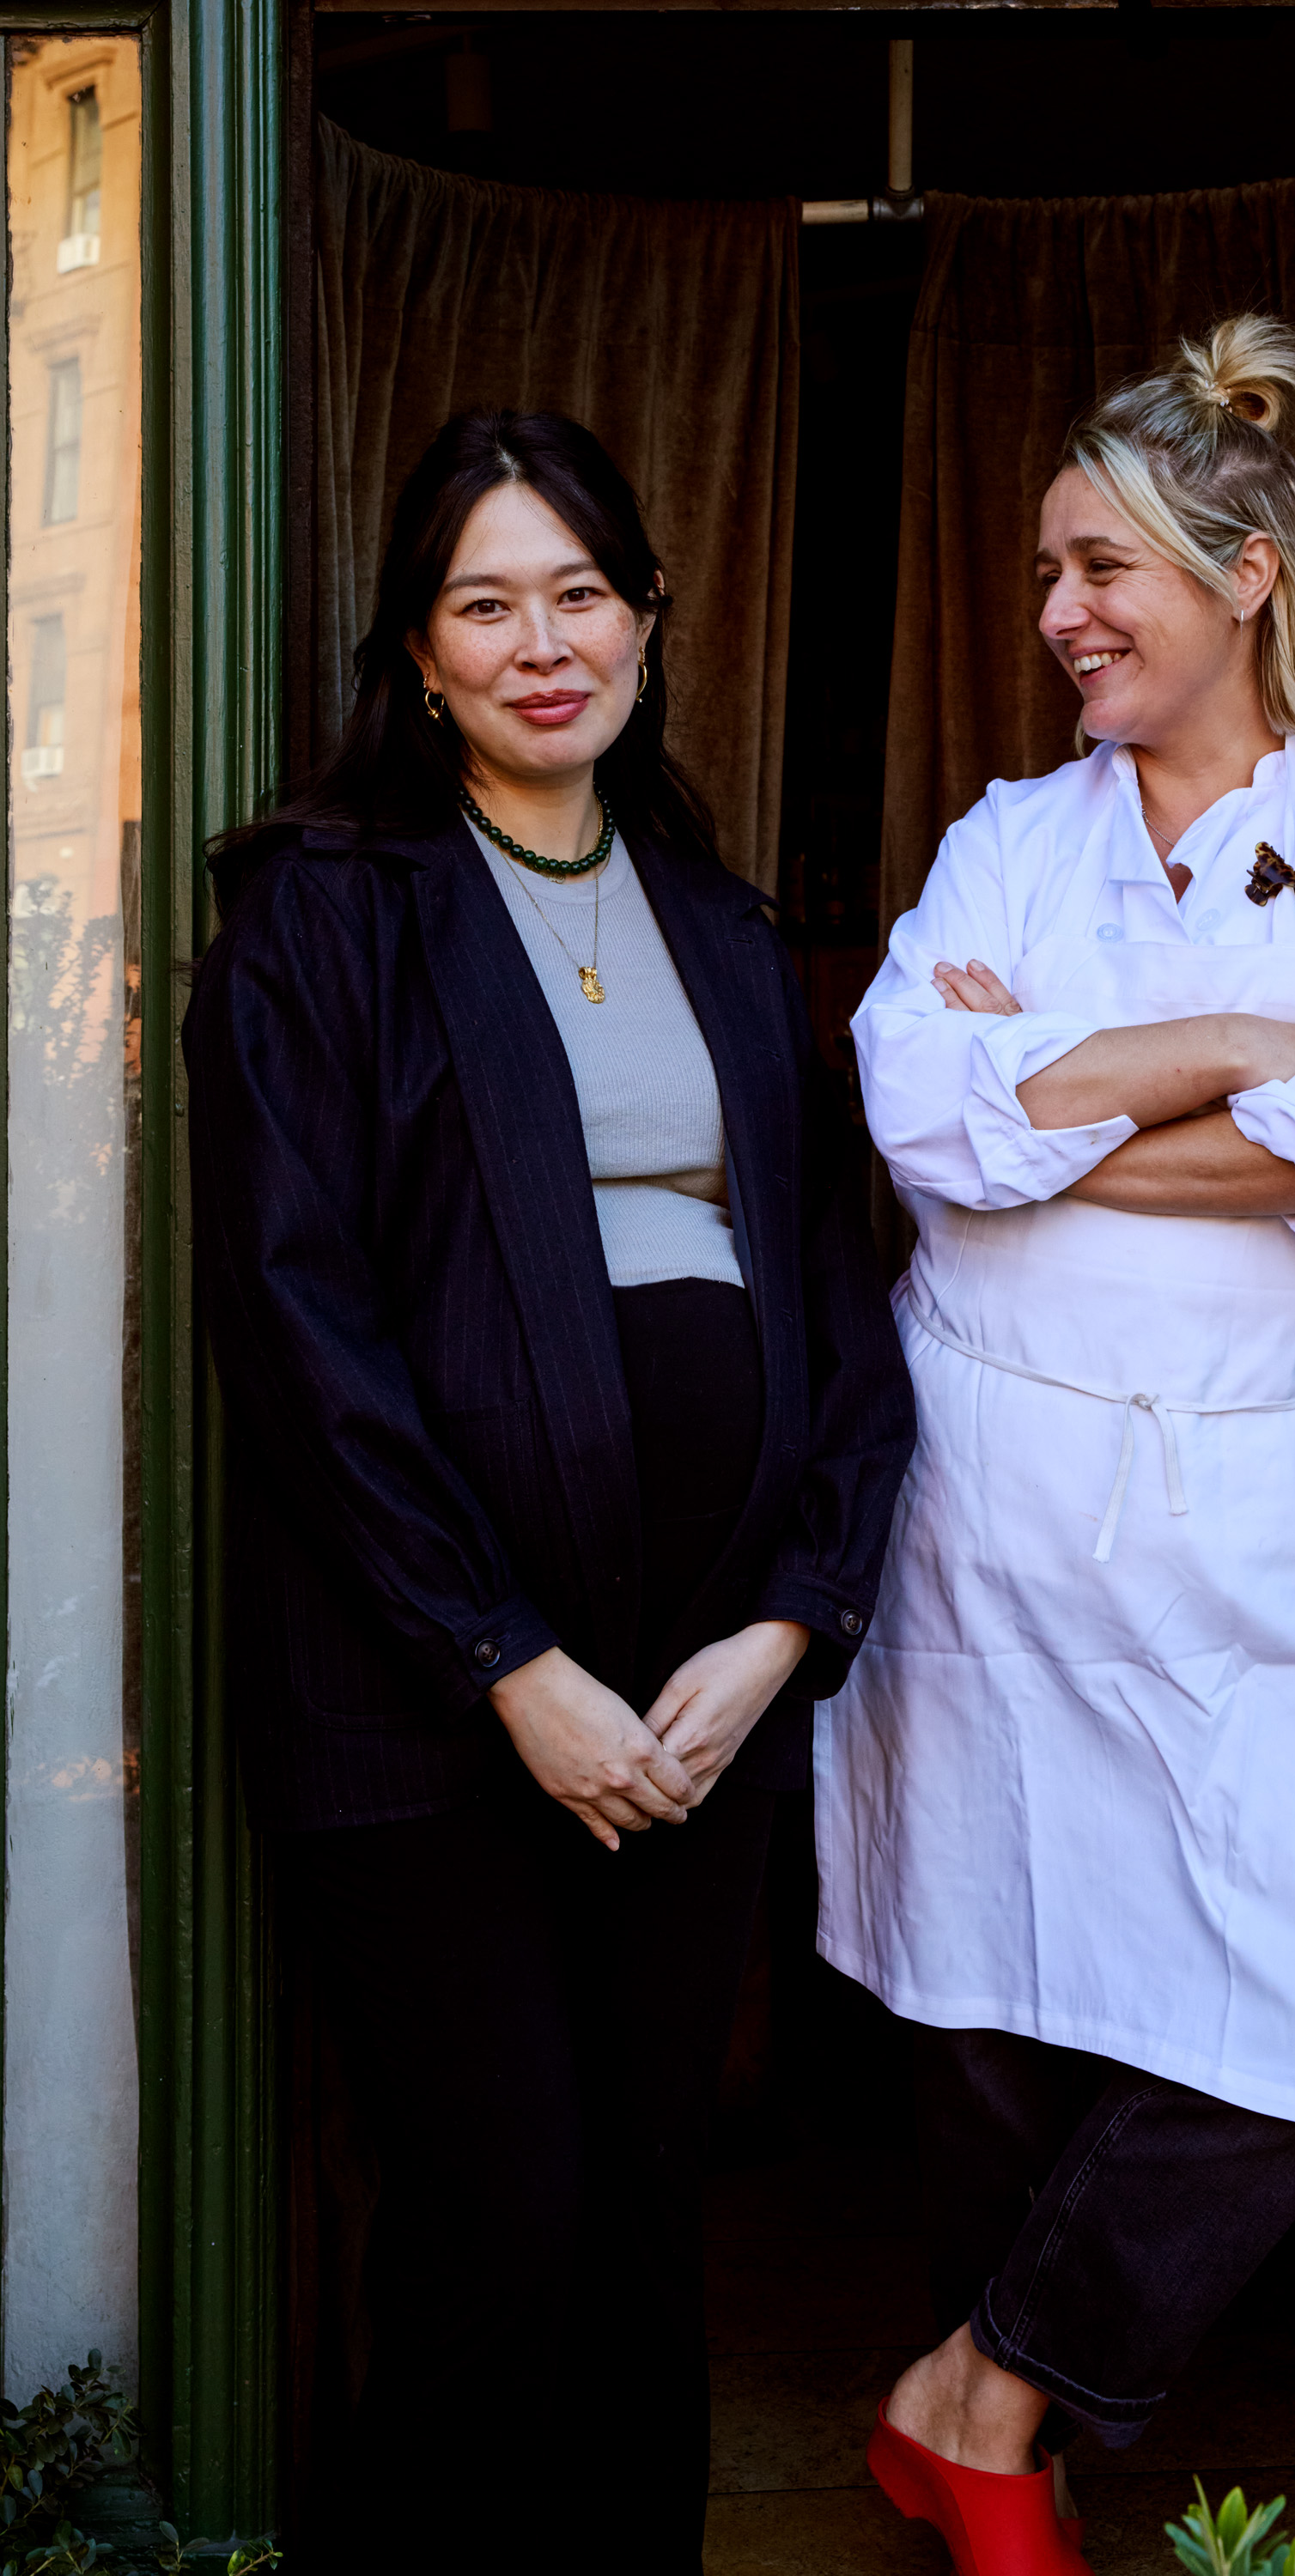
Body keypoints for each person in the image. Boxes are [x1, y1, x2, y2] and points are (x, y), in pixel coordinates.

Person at [183, 410, 915, 2574]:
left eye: (579, 592)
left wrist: (782, 1628)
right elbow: (296, 1332)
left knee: (646, 2233)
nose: (541, 643)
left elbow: (841, 1313)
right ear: (417, 654)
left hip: (692, 1706)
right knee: (500, 2219)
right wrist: (509, 1661)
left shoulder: (716, 923)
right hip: (426, 1705)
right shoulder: (323, 914)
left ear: (649, 621)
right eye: (485, 604)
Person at [817, 316, 1295, 2575]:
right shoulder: (1013, 840)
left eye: (1105, 566)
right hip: (998, 1518)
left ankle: (976, 2394)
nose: (1061, 615)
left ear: (1250, 572)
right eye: (1040, 574)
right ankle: (1017, 2472)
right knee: (997, 2007)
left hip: (1278, 1518)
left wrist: (1063, 1097)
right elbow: (917, 1120)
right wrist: (1225, 1043)